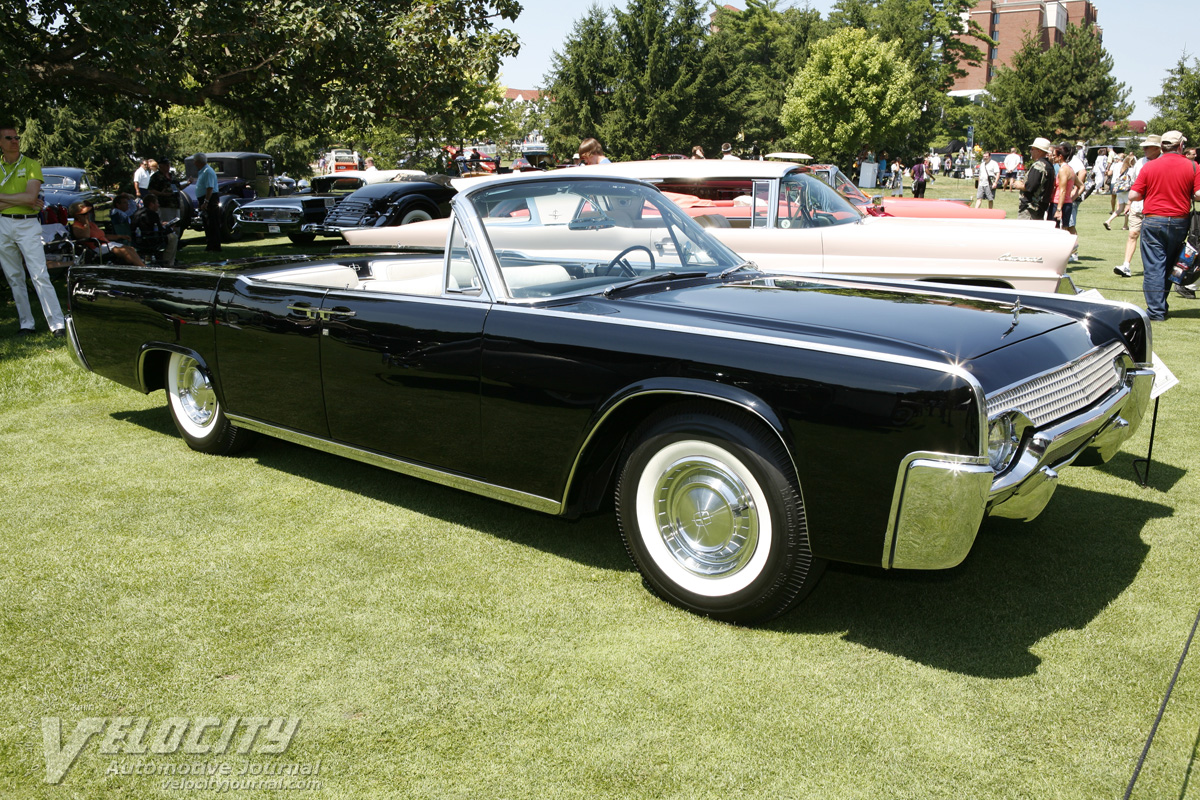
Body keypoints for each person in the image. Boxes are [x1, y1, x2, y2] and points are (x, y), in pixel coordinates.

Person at [0, 125, 66, 337]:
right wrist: (21, 200)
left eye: (16, 137)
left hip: (27, 224)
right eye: (9, 138)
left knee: (39, 274)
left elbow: (30, 198)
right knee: (14, 276)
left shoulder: (31, 164)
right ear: (0, 143)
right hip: (3, 224)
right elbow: (27, 199)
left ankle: (57, 325)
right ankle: (26, 324)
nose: (14, 141)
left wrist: (13, 199)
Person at [1128, 130, 1200, 318]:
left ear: (1162, 146)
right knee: (1169, 265)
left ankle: (1156, 310)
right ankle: (1160, 306)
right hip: (1179, 221)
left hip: (1153, 220)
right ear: (1180, 146)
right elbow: (1199, 195)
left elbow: (1133, 195)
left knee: (1154, 266)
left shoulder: (1150, 167)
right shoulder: (1193, 166)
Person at [1114, 135, 1162, 278]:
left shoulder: (1162, 162)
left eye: (1147, 147)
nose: (1144, 149)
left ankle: (1155, 268)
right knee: (1132, 234)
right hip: (1138, 205)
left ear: (1157, 148)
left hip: (1155, 207)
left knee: (1153, 240)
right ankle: (1126, 266)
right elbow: (1136, 185)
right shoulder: (1140, 162)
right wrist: (1129, 203)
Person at [70, 201, 146, 266]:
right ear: (77, 215)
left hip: (106, 244)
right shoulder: (77, 226)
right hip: (97, 247)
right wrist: (85, 223)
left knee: (130, 249)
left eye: (87, 213)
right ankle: (142, 268)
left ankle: (142, 266)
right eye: (84, 214)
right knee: (124, 251)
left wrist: (120, 236)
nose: (87, 215)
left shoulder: (91, 224)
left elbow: (103, 235)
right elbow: (85, 236)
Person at [131, 193, 178, 267]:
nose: (158, 205)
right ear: (151, 204)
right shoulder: (151, 214)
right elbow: (159, 230)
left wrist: (161, 224)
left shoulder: (138, 212)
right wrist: (170, 228)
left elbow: (150, 226)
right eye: (157, 203)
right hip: (150, 239)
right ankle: (168, 262)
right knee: (173, 237)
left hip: (137, 239)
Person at [1014, 137, 1055, 220]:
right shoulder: (1049, 166)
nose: (1030, 151)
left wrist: (1018, 185)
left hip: (1030, 209)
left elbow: (1030, 186)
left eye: (1032, 149)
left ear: (1039, 151)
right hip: (1041, 207)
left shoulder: (1038, 166)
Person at [193, 152, 221, 252]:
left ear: (197, 162)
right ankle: (210, 244)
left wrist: (206, 201)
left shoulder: (207, 171)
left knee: (212, 223)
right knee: (207, 223)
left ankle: (215, 246)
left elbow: (210, 187)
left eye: (195, 161)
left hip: (210, 199)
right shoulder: (202, 171)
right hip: (205, 198)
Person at [1104, 153, 1137, 231]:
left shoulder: (1123, 169)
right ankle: (1125, 225)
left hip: (1120, 190)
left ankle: (1108, 221)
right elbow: (1133, 181)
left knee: (1120, 209)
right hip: (1127, 190)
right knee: (1128, 208)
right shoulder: (1131, 170)